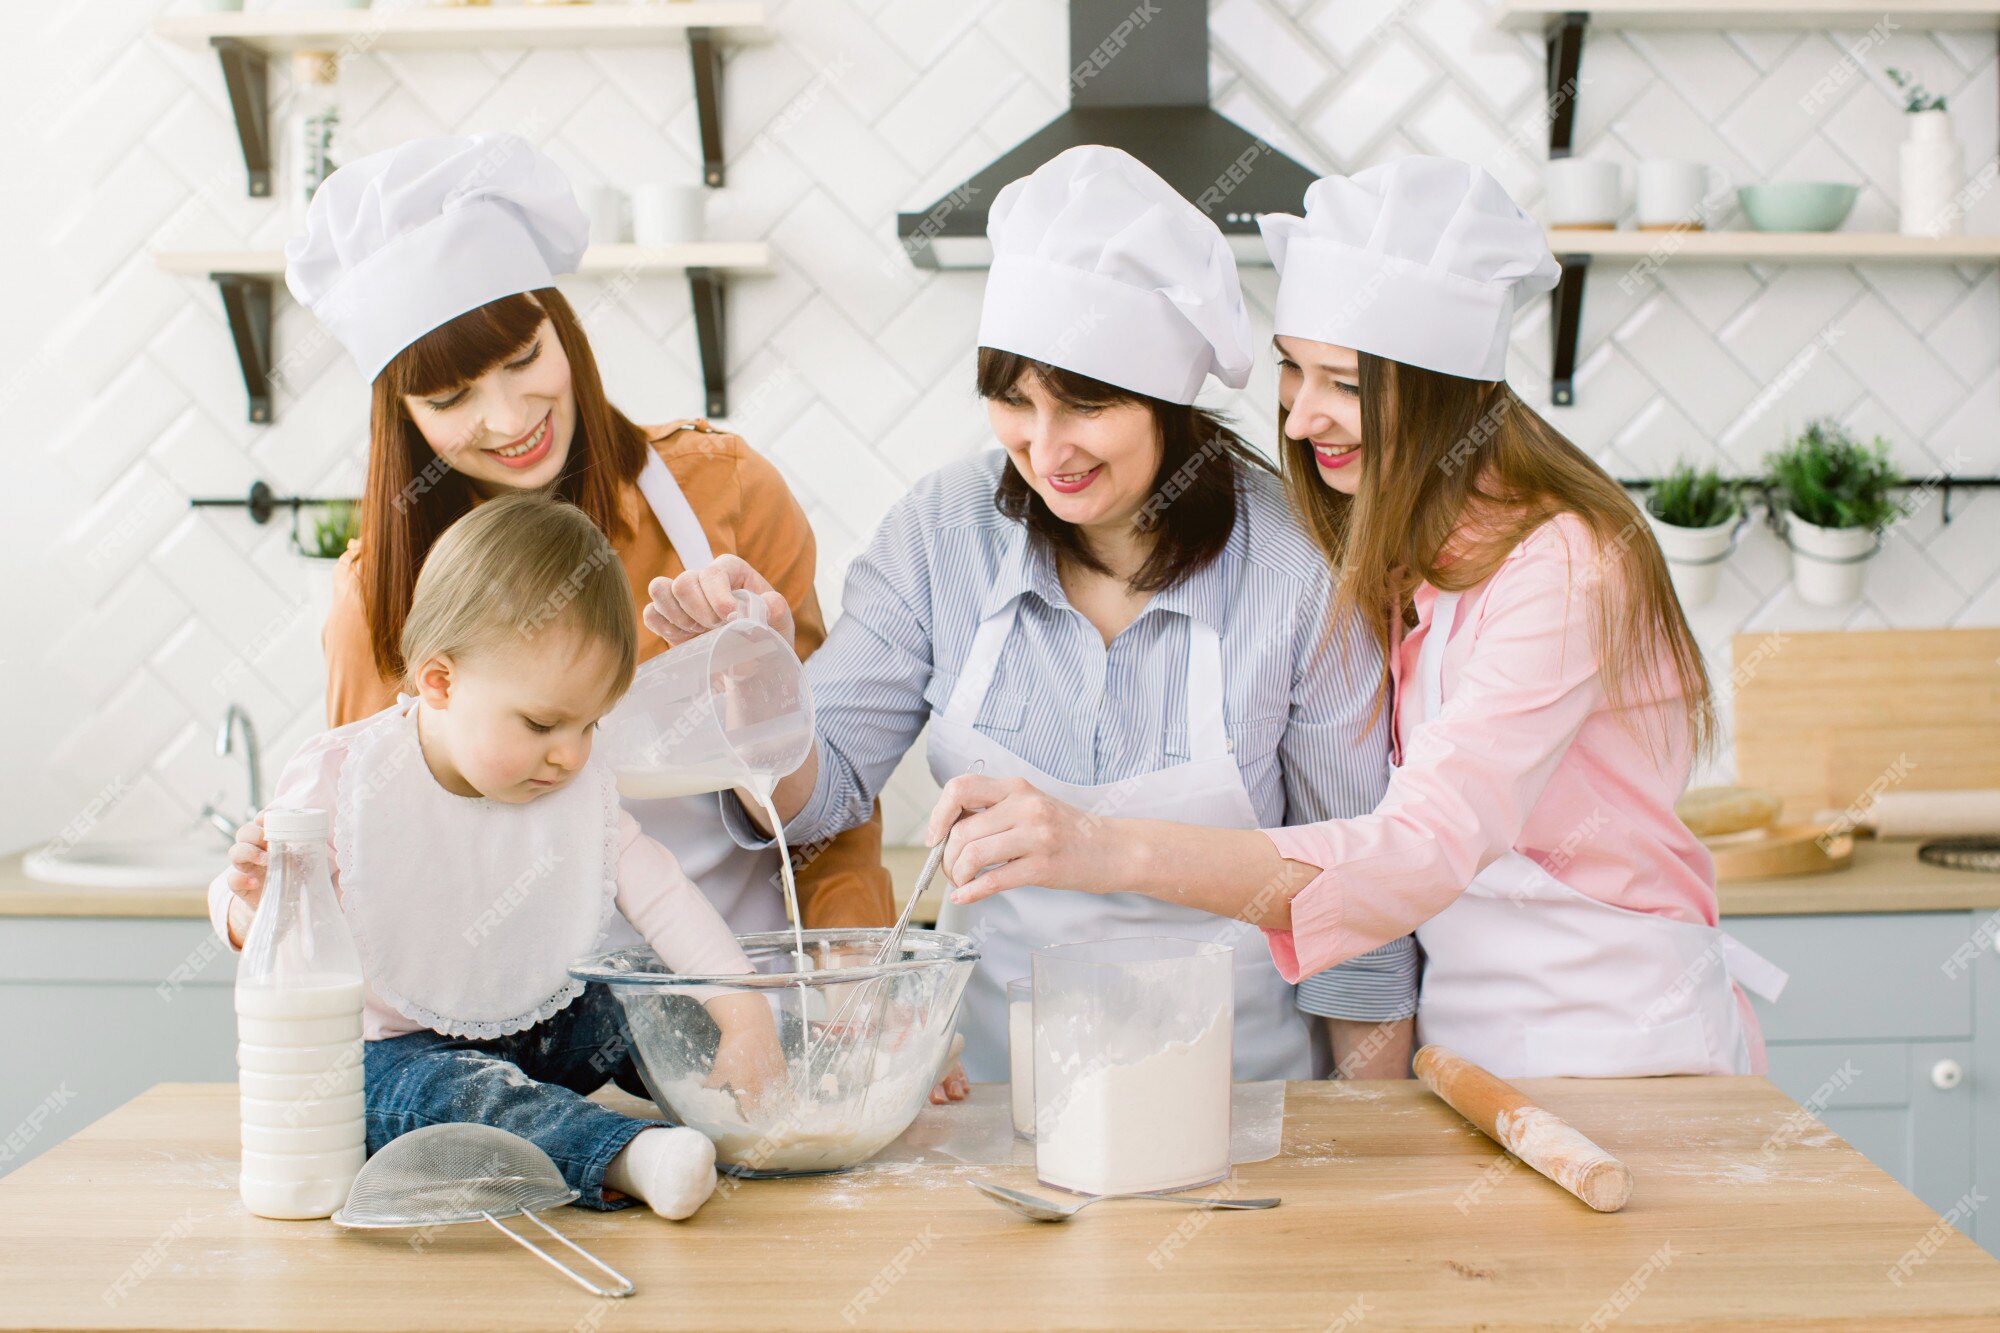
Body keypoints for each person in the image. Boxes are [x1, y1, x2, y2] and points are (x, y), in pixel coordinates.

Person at [920, 156, 1788, 1079]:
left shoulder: (1568, 565)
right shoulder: (1412, 556)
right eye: (1295, 372)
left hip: (1625, 1040)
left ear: (1439, 392)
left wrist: (1103, 844)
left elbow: (1418, 848)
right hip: (1471, 1044)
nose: (1299, 421)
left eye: (1343, 384)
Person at [645, 146, 1420, 1085]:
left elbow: (1358, 906)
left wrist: (1366, 1148)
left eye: (1085, 406)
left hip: (1246, 1109)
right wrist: (758, 686)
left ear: (1169, 402)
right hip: (1001, 1111)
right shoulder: (943, 531)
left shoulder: (1298, 564)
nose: (1043, 449)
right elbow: (825, 793)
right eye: (1012, 400)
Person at [284, 131, 891, 938]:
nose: (508, 419)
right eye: (451, 397)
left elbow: (831, 807)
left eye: (523, 356)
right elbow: (364, 853)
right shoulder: (377, 596)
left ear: (563, 328)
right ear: (402, 419)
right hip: (505, 1031)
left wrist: (850, 962)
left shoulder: (726, 494)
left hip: (739, 1009)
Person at [209, 495, 787, 1218]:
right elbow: (248, 920)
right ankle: (625, 1156)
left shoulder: (572, 774)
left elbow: (661, 894)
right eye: (544, 722)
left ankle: (785, 1074)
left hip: (543, 1024)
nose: (572, 754)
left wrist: (742, 1012)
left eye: (591, 723)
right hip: (402, 1051)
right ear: (440, 682)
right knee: (415, 1098)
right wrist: (253, 902)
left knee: (649, 1002)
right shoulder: (341, 779)